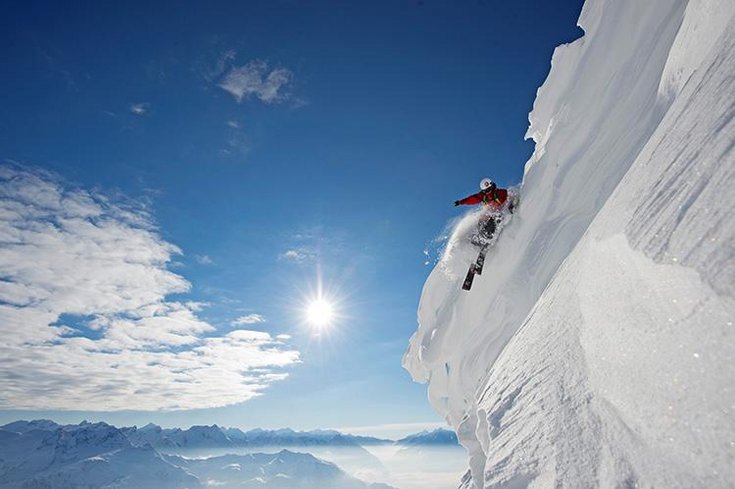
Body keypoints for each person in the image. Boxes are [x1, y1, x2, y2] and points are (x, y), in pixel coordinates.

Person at [454, 178, 515, 245]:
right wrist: (461, 202)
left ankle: (489, 237)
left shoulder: (500, 192)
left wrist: (511, 206)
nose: (488, 192)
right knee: (481, 220)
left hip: (501, 212)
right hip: (491, 213)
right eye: (485, 191)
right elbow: (472, 199)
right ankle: (479, 238)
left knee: (494, 218)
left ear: (492, 186)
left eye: (489, 189)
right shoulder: (483, 196)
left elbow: (510, 196)